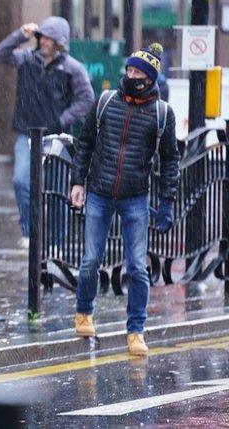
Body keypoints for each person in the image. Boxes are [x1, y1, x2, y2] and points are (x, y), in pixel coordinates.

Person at [70, 44, 178, 356]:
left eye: (138, 73)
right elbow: (86, 142)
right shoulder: (105, 102)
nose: (131, 76)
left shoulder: (162, 114)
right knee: (90, 260)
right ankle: (84, 311)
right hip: (100, 193)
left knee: (136, 267)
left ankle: (136, 331)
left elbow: (171, 159)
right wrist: (78, 182)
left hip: (135, 198)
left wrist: (167, 202)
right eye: (129, 70)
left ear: (150, 79)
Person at [0, 17, 94, 247]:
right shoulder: (26, 59)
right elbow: (0, 54)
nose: (44, 41)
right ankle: (30, 233)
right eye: (42, 37)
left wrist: (61, 120)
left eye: (49, 38)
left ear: (60, 42)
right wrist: (21, 34)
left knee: (58, 190)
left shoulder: (72, 69)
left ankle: (58, 242)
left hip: (57, 138)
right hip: (26, 133)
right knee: (21, 181)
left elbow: (87, 99)